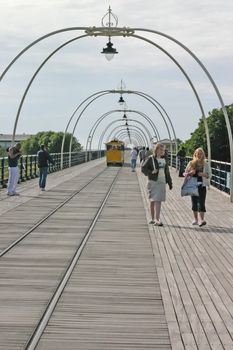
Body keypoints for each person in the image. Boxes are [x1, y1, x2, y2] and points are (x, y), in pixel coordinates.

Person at [141, 143, 172, 226]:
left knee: (158, 200)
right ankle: (152, 218)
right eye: (160, 149)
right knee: (152, 201)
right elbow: (143, 168)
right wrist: (151, 172)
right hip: (153, 182)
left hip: (161, 182)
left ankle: (157, 219)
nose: (162, 151)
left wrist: (170, 182)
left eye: (163, 150)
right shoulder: (151, 159)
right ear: (156, 150)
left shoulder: (165, 160)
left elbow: (167, 172)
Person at [185, 147, 211, 227]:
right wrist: (190, 172)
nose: (199, 155)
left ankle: (201, 220)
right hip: (193, 185)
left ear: (203, 155)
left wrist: (202, 174)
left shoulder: (206, 164)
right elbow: (185, 173)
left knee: (201, 203)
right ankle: (196, 219)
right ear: (195, 154)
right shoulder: (191, 163)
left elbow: (209, 175)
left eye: (201, 153)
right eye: (198, 153)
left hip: (202, 186)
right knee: (194, 203)